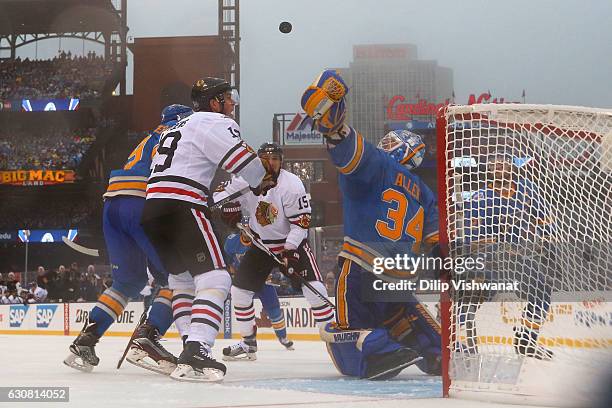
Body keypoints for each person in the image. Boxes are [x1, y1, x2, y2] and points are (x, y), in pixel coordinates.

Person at [300, 70, 442, 380]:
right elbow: (437, 243)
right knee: (433, 344)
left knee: (350, 351)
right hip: (402, 278)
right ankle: (423, 347)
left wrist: (333, 129)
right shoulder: (425, 192)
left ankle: (376, 345)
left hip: (364, 264)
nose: (387, 142)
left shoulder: (379, 161)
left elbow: (348, 154)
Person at [141, 78, 276, 382]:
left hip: (152, 208)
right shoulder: (214, 121)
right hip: (182, 204)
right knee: (216, 276)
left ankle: (190, 347)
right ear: (214, 102)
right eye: (228, 98)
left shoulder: (178, 126)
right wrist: (260, 178)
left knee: (182, 281)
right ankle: (198, 350)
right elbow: (244, 164)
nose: (232, 104)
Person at [63, 104, 193, 374]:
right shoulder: (176, 136)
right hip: (140, 204)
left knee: (128, 282)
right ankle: (149, 337)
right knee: (179, 277)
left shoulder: (149, 137)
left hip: (112, 205)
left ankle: (87, 339)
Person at [214, 143, 334, 361]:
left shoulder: (292, 185)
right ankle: (248, 344)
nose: (270, 164)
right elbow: (219, 198)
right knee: (240, 292)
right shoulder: (243, 180)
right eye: (265, 160)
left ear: (282, 161)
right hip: (261, 245)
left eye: (275, 159)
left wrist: (290, 251)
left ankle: (334, 336)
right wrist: (227, 210)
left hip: (290, 243)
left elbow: (300, 224)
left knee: (314, 290)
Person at [460, 152, 554, 360]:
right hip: (488, 258)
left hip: (516, 258)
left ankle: (526, 341)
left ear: (512, 166)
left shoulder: (528, 189)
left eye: (504, 161)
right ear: (489, 169)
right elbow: (471, 241)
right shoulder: (480, 197)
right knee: (470, 295)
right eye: (494, 162)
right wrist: (494, 245)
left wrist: (545, 240)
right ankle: (463, 342)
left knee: (542, 289)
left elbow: (544, 221)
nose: (499, 165)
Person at [222, 226, 295, 359]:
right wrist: (233, 272)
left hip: (263, 278)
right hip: (244, 280)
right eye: (245, 230)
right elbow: (226, 260)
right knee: (242, 303)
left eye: (250, 230)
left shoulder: (262, 240)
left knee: (274, 309)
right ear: (241, 230)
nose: (248, 233)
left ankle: (283, 337)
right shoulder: (232, 241)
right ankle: (249, 342)